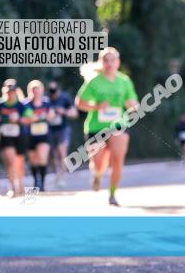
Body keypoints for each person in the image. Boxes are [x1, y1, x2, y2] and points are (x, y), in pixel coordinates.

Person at [75, 47, 139, 206]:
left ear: (118, 62)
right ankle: (97, 175)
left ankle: (112, 194)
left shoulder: (124, 81)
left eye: (112, 60)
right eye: (106, 60)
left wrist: (133, 105)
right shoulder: (94, 82)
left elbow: (132, 102)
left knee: (118, 160)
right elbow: (80, 103)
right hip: (96, 127)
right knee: (99, 163)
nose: (109, 63)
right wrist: (96, 107)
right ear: (101, 63)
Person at [0, 79, 27, 198]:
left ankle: (20, 183)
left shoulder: (21, 105)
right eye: (8, 91)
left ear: (15, 91)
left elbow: (30, 118)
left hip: (18, 136)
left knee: (19, 163)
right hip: (5, 136)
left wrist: (19, 120)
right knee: (10, 162)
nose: (10, 93)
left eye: (12, 91)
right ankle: (12, 186)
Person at [47, 80, 78, 188]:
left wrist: (63, 111)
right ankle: (57, 173)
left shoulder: (65, 98)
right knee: (54, 155)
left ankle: (61, 177)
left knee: (62, 152)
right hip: (50, 130)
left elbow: (74, 113)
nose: (53, 94)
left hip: (63, 129)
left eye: (54, 91)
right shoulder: (47, 99)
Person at [22, 80, 51, 192]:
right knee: (33, 161)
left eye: (38, 90)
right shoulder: (26, 104)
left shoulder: (46, 103)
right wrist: (30, 119)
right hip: (30, 136)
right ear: (30, 91)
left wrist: (45, 117)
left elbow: (51, 115)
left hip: (44, 135)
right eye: (34, 91)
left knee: (42, 157)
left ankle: (42, 183)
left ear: (42, 91)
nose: (36, 93)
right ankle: (35, 180)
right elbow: (24, 119)